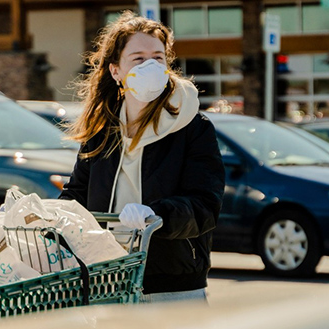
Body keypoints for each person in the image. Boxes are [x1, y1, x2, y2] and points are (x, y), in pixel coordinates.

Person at [59, 11, 225, 303]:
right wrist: (44, 218)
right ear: (115, 71)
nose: (150, 66)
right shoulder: (103, 129)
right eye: (138, 58)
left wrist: (157, 214)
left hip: (172, 285)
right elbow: (77, 195)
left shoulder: (192, 128)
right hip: (107, 280)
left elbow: (205, 206)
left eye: (158, 58)